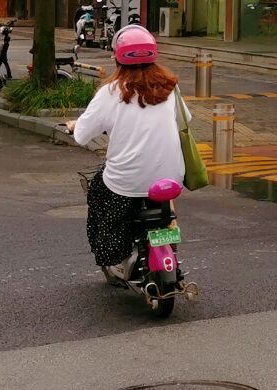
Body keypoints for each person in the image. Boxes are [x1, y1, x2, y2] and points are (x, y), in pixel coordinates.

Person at [64, 26, 186, 277]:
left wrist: (75, 126)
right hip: (171, 178)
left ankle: (114, 256)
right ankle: (170, 231)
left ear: (117, 58)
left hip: (126, 182)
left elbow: (82, 135)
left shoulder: (110, 92)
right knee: (161, 195)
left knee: (99, 192)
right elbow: (184, 122)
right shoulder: (170, 88)